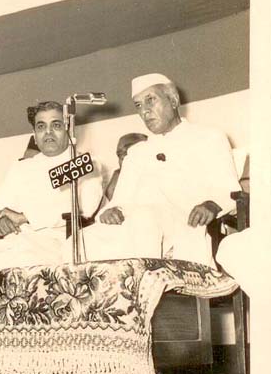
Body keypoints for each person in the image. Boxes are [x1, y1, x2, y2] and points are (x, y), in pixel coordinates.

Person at [81, 73, 241, 266]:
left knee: (145, 218)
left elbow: (229, 191)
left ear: (173, 99)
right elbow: (120, 200)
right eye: (138, 105)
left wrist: (211, 205)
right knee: (77, 244)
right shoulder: (137, 152)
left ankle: (143, 287)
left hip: (182, 227)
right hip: (135, 229)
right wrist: (112, 210)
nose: (144, 111)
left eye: (150, 100)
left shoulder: (209, 138)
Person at [0, 101, 103, 275]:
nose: (48, 132)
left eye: (56, 125)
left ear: (68, 129)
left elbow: (85, 207)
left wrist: (24, 217)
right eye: (41, 126)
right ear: (35, 134)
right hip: (15, 242)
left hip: (57, 245)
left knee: (4, 268)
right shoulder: (22, 168)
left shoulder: (84, 163)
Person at [104, 132, 148, 202]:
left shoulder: (153, 175)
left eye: (126, 153)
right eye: (119, 154)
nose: (122, 158)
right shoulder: (118, 175)